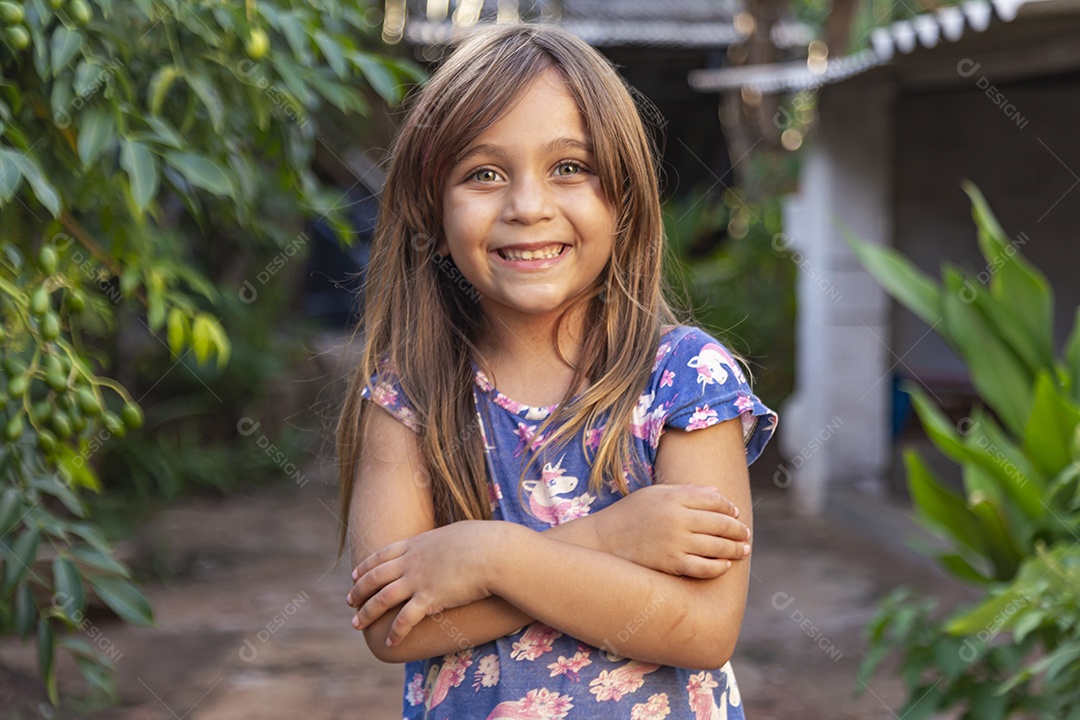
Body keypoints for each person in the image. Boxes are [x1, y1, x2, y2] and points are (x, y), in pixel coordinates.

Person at [338, 23, 778, 720]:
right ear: (430, 209)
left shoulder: (683, 379)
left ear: (624, 198)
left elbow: (703, 628)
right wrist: (607, 539)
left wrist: (485, 558)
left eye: (569, 167)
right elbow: (399, 625)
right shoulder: (409, 396)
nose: (528, 206)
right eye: (483, 173)